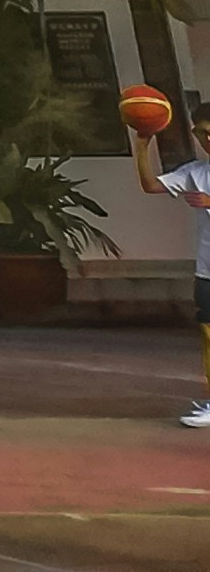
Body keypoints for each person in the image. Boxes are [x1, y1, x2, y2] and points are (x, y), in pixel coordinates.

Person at [131, 97, 210, 425]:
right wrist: (142, 146)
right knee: (209, 335)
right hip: (207, 270)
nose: (209, 139)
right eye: (203, 133)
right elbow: (151, 185)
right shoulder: (196, 172)